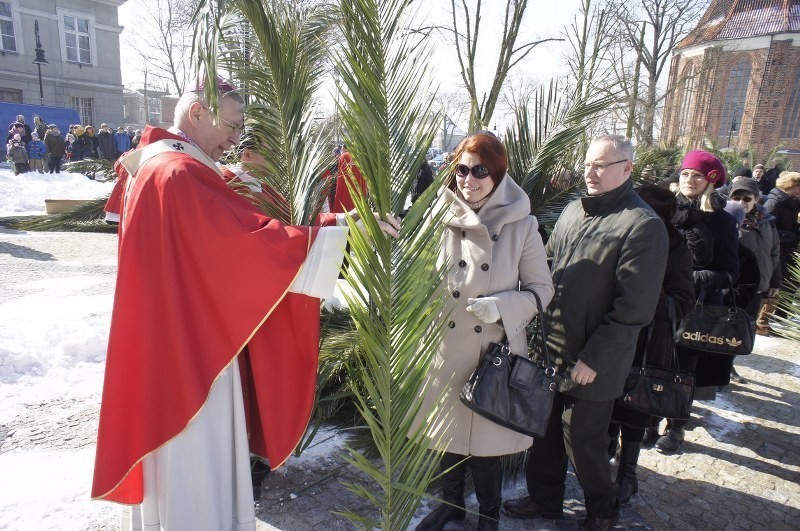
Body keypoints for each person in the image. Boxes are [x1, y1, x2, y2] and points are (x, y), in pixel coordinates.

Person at [90, 79, 395, 531]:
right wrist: (350, 229)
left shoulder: (160, 166)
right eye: (232, 125)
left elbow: (240, 234)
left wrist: (341, 224)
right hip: (192, 355)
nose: (237, 138)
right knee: (196, 467)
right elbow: (247, 245)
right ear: (197, 114)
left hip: (173, 341)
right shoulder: (177, 173)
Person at [502, 135, 668, 531]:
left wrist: (594, 358)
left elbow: (634, 310)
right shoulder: (574, 210)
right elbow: (549, 267)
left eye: (601, 165)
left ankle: (602, 510)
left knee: (584, 441)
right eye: (588, 165)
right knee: (543, 430)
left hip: (594, 360)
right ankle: (545, 498)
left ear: (627, 168)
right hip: (552, 343)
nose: (590, 173)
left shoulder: (642, 225)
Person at [413, 131, 554, 531]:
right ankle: (451, 505)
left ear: (498, 174)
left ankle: (487, 515)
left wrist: (502, 306)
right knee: (446, 440)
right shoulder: (434, 216)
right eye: (461, 169)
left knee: (484, 449)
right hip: (443, 348)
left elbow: (543, 290)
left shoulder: (522, 226)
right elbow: (415, 273)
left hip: (493, 353)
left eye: (480, 171)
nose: (468, 180)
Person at [607, 184, 695, 505]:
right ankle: (602, 464)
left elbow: (684, 301)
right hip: (612, 337)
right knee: (607, 405)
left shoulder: (676, 249)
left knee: (634, 409)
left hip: (647, 344)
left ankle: (627, 475)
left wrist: (653, 298)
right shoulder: (617, 235)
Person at [654, 150, 739, 454]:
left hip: (695, 308)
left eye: (698, 175)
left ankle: (676, 427)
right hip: (656, 301)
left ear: (710, 181)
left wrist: (693, 280)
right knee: (651, 362)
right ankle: (647, 416)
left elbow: (730, 273)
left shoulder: (722, 221)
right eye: (686, 173)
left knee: (683, 370)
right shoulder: (663, 209)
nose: (690, 179)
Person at [727, 176, 781, 349]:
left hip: (758, 286)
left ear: (756, 199)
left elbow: (774, 252)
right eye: (736, 197)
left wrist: (774, 281)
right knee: (727, 329)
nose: (741, 202)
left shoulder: (767, 222)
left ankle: (735, 358)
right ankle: (727, 363)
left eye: (747, 198)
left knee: (746, 328)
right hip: (735, 286)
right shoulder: (728, 220)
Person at [761, 171, 800, 328]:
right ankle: (763, 320)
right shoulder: (774, 202)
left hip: (789, 251)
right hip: (778, 251)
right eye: (798, 186)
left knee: (789, 283)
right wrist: (792, 236)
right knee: (776, 284)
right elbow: (768, 229)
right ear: (789, 185)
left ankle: (781, 315)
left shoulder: (793, 202)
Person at [331, 144, 367, 213]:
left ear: (344, 148)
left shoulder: (343, 156)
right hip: (359, 192)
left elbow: (340, 178)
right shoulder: (362, 157)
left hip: (345, 191)